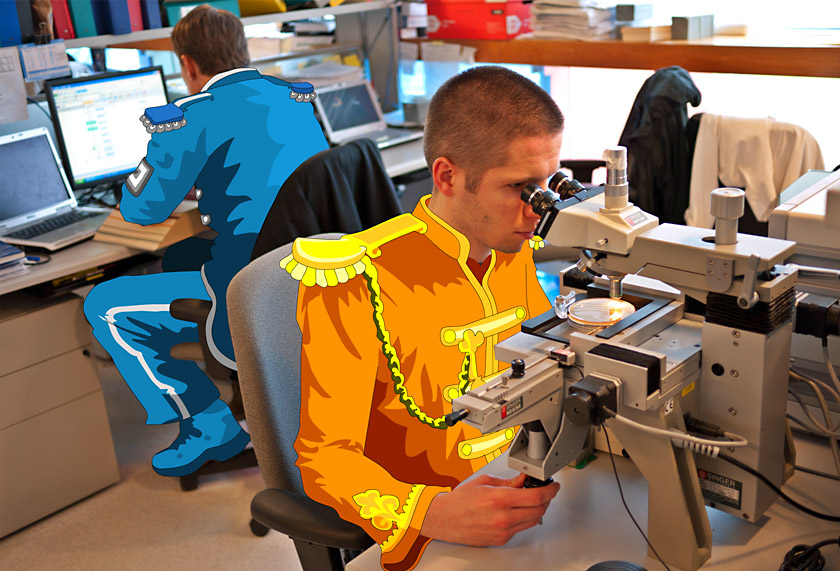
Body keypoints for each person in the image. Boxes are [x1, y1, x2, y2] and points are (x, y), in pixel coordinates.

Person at [286, 65, 564, 570]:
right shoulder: (354, 279)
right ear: (447, 176)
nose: (537, 209)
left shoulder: (511, 238)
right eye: (520, 188)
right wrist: (430, 512)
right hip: (436, 532)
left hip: (536, 489)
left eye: (546, 184)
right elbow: (324, 459)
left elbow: (545, 360)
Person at [84, 5, 328, 477]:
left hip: (250, 287)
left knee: (105, 306)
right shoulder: (291, 98)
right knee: (182, 253)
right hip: (308, 274)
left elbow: (141, 210)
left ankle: (207, 423)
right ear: (242, 48)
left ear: (188, 65)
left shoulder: (189, 117)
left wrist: (172, 172)